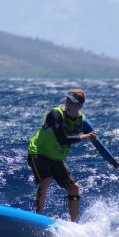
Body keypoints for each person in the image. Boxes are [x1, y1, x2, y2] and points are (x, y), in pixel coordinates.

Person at [27, 89, 98, 222]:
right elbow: (62, 139)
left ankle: (74, 224)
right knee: (46, 180)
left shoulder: (82, 121)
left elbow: (98, 143)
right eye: (67, 100)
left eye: (72, 102)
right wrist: (83, 137)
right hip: (38, 152)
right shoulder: (55, 114)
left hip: (57, 158)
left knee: (74, 188)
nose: (68, 103)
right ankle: (38, 217)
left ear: (80, 106)